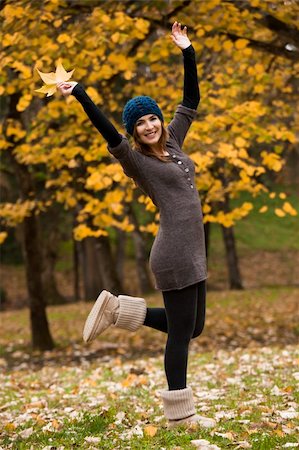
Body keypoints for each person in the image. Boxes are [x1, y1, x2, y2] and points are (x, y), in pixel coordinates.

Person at [57, 21, 209, 429]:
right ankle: (180, 418)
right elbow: (107, 130)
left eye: (151, 118)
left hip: (194, 251)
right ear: (134, 131)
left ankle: (120, 309)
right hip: (174, 253)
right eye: (140, 123)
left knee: (194, 327)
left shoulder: (174, 141)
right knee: (180, 336)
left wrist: (187, 50)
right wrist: (81, 95)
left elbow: (191, 100)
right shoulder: (135, 160)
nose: (149, 125)